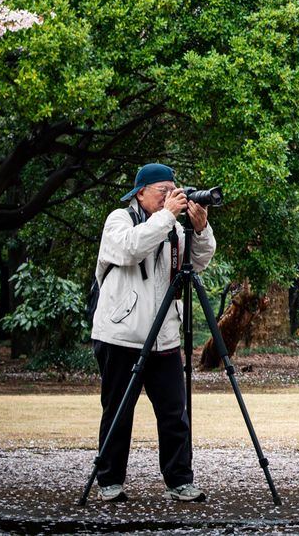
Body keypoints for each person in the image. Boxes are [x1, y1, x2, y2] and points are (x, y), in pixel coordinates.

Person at [90, 163, 216, 503]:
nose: (169, 197)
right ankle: (109, 481)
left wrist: (200, 230)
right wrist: (168, 218)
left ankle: (180, 480)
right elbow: (131, 248)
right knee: (118, 411)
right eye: (163, 191)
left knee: (175, 412)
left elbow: (197, 262)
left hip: (163, 335)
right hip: (120, 334)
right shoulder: (119, 220)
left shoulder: (172, 227)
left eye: (173, 190)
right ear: (140, 192)